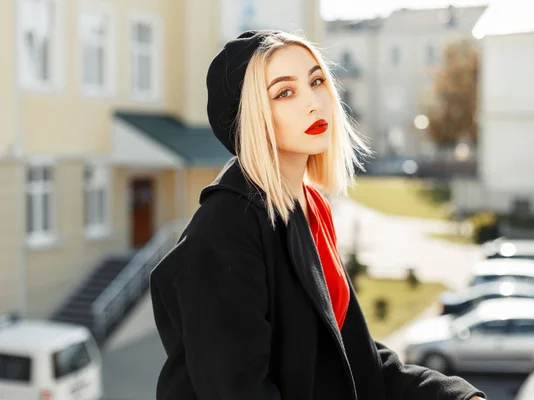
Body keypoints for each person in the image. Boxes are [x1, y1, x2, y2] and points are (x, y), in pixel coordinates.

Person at [150, 30, 486, 400]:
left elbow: (355, 360)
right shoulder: (224, 232)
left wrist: (457, 397)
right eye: (284, 92)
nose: (314, 102)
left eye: (316, 81)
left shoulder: (308, 208)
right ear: (250, 118)